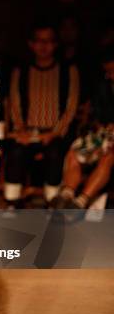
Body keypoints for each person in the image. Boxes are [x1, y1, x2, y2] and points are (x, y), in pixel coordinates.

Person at [4, 22, 80, 207]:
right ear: (31, 44)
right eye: (39, 41)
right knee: (16, 151)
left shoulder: (67, 71)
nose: (43, 46)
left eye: (48, 41)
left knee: (54, 153)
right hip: (27, 132)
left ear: (55, 44)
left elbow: (71, 106)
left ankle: (51, 202)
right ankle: (12, 203)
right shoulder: (21, 71)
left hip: (55, 133)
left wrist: (54, 133)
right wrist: (21, 131)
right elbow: (14, 103)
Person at [52, 46, 114, 209]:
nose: (109, 76)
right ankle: (66, 196)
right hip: (104, 134)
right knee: (75, 151)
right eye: (107, 72)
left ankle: (81, 202)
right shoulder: (105, 87)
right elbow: (99, 116)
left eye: (112, 71)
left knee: (109, 156)